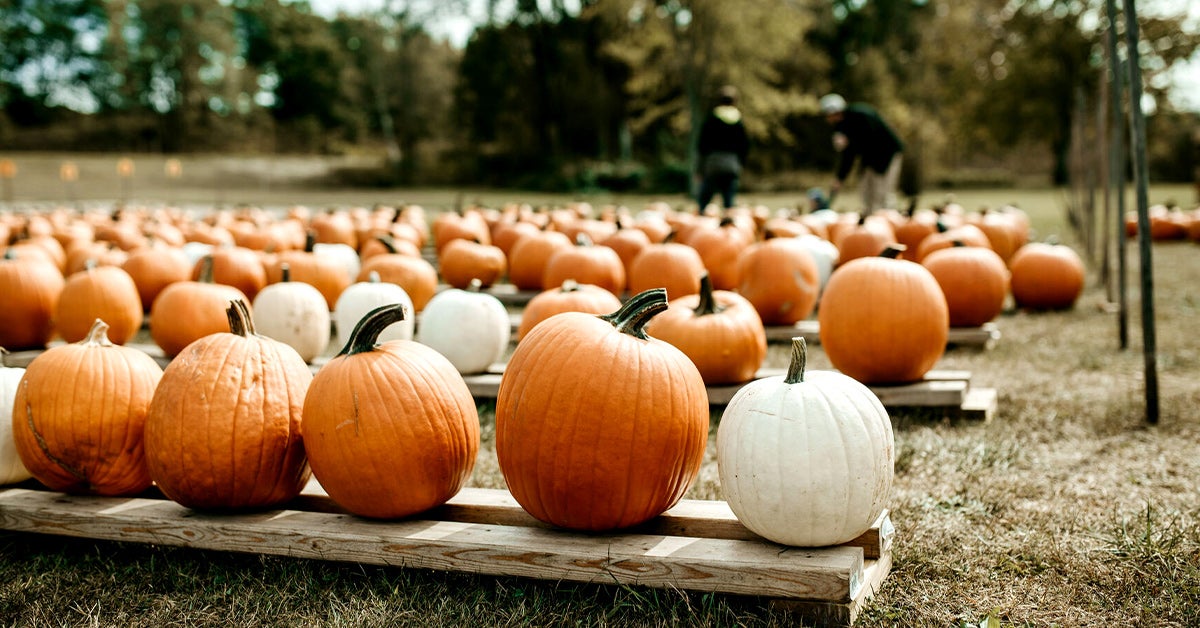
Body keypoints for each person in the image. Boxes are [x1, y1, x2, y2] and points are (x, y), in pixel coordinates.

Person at [820, 93, 904, 214]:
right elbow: (848, 155)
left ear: (834, 112)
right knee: (866, 191)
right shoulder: (841, 127)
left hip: (887, 155)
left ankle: (887, 220)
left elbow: (872, 139)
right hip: (870, 159)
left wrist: (849, 141)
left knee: (880, 193)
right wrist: (840, 178)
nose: (828, 119)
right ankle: (869, 219)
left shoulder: (861, 114)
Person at [695, 85, 749, 212]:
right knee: (728, 197)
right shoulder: (738, 121)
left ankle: (701, 216)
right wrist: (741, 163)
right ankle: (728, 221)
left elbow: (702, 144)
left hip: (714, 161)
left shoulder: (712, 119)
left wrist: (700, 167)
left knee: (705, 196)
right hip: (731, 162)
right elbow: (744, 145)